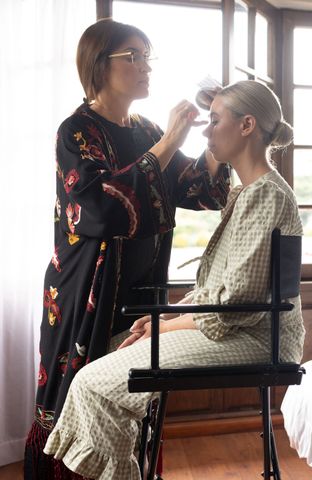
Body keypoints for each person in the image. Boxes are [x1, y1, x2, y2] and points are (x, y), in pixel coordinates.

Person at [42, 79, 305, 479]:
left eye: (215, 120)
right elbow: (218, 292)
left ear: (247, 125)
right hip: (239, 328)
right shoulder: (248, 192)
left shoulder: (265, 195)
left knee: (94, 385)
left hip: (257, 339)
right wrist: (163, 321)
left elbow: (231, 309)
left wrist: (167, 324)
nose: (206, 130)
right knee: (111, 351)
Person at [25, 19, 231, 479]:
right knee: (77, 393)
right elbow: (100, 208)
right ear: (100, 65)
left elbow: (198, 191)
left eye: (147, 57)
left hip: (142, 293)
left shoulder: (144, 129)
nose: (145, 67)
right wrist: (170, 141)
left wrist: (216, 136)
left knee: (135, 399)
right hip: (85, 294)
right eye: (132, 57)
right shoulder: (77, 131)